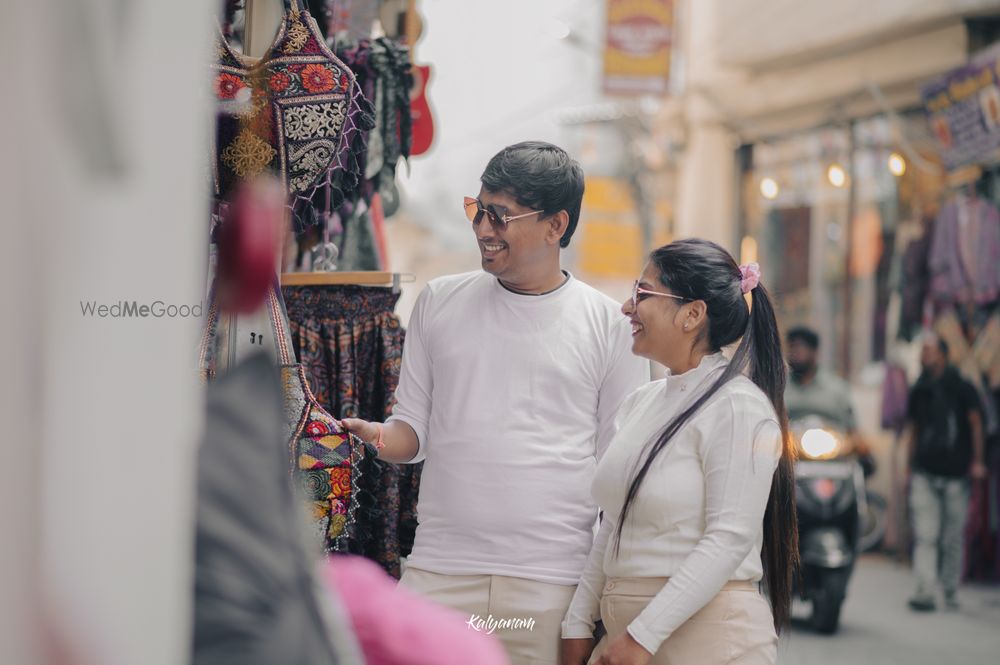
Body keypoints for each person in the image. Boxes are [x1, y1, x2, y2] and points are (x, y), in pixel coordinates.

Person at [342, 141, 649, 665]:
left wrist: (589, 604)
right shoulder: (439, 302)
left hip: (549, 584)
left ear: (556, 225)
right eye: (477, 210)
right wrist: (376, 437)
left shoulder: (610, 325)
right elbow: (413, 430)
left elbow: (617, 472)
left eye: (501, 216)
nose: (483, 228)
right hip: (439, 573)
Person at [561, 239, 798, 665]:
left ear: (692, 314)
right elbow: (614, 522)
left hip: (709, 641)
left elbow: (729, 539)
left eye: (643, 293)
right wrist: (578, 623)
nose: (627, 307)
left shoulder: (737, 406)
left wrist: (641, 638)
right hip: (626, 641)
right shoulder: (641, 403)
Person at [904, 334, 987, 612]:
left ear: (942, 354)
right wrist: (909, 465)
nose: (923, 356)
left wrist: (978, 461)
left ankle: (950, 589)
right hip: (925, 472)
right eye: (922, 351)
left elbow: (976, 424)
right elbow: (914, 429)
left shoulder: (962, 387)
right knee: (926, 534)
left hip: (956, 473)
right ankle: (924, 591)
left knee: (953, 536)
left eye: (928, 351)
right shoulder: (920, 389)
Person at [784, 326, 872, 461]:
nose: (795, 353)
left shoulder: (836, 388)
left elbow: (851, 428)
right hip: (790, 457)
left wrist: (859, 445)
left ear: (814, 352)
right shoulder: (780, 388)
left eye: (800, 348)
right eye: (792, 348)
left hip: (832, 456)